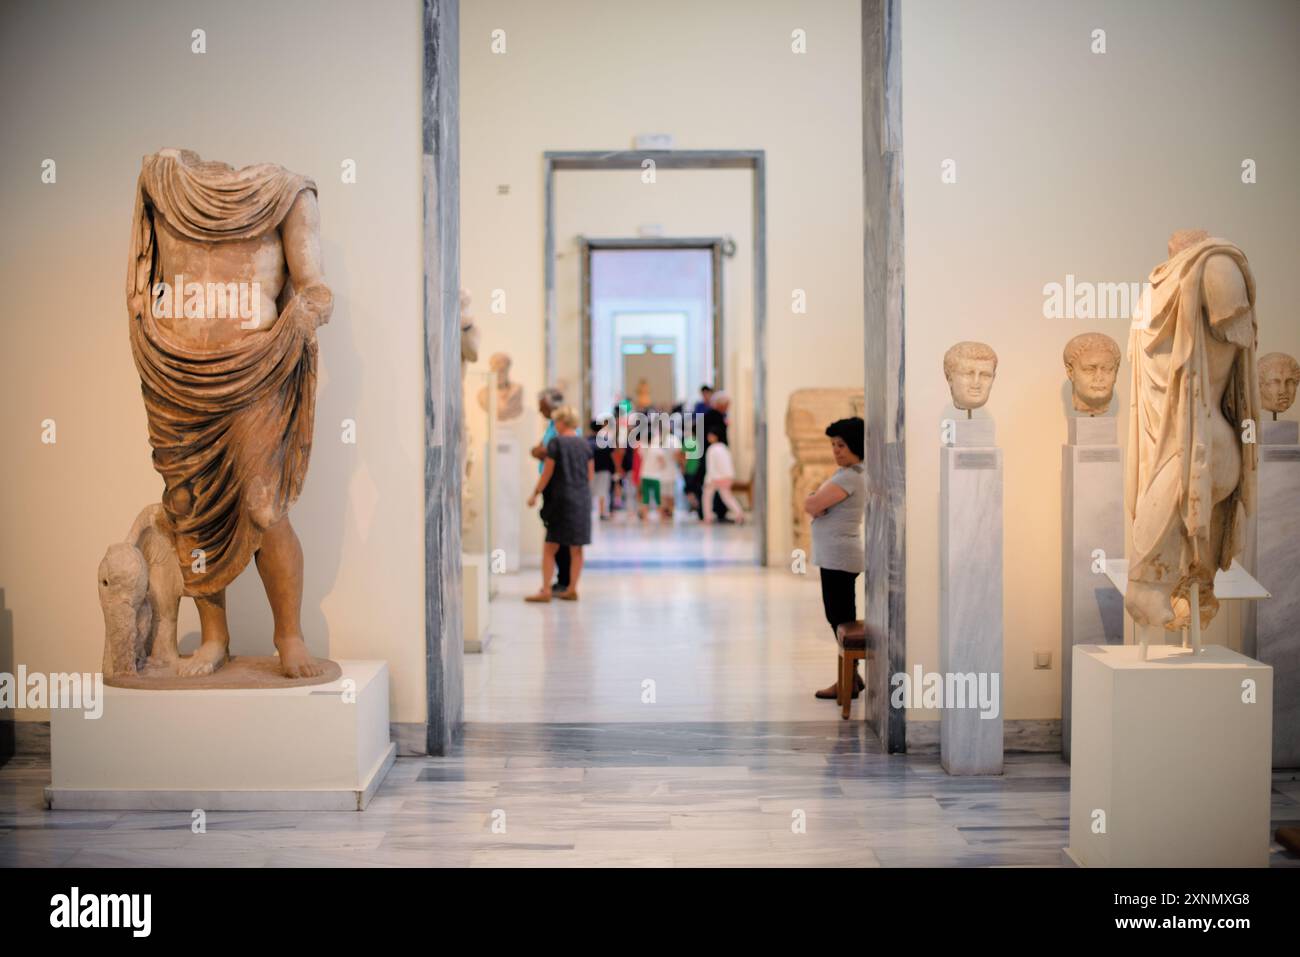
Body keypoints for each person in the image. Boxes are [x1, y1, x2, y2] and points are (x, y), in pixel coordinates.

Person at [806, 417, 866, 701]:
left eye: (841, 445)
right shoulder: (848, 474)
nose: (836, 451)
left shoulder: (849, 477)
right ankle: (851, 677)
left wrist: (815, 502)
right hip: (836, 556)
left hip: (839, 558)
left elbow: (812, 504)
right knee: (839, 618)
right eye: (833, 445)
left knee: (840, 619)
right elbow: (815, 503)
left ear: (855, 444)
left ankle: (849, 679)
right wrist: (816, 502)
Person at [526, 406, 593, 602]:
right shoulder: (584, 444)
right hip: (581, 500)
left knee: (550, 546)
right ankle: (572, 588)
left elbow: (547, 473)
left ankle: (546, 590)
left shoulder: (556, 443)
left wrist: (535, 494)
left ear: (562, 422)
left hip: (561, 500)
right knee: (576, 547)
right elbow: (589, 475)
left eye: (556, 421)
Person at [531, 388, 571, 590]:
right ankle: (560, 579)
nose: (539, 410)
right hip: (551, 488)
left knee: (559, 537)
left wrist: (535, 492)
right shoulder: (551, 427)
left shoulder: (565, 429)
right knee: (554, 533)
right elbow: (539, 450)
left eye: (542, 406)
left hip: (559, 487)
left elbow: (552, 455)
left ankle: (564, 580)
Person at [638, 417, 679, 520]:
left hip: (652, 474)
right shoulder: (660, 442)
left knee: (660, 495)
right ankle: (666, 513)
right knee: (663, 495)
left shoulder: (655, 442)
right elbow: (676, 455)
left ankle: (665, 513)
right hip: (658, 474)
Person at [702, 429, 745, 524]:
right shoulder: (724, 448)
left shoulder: (712, 449)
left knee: (707, 497)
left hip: (715, 478)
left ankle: (708, 517)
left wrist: (709, 479)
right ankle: (739, 514)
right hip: (726, 477)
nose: (708, 437)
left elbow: (711, 467)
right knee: (727, 497)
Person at [590, 418, 615, 520]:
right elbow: (612, 454)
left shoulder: (588, 441)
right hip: (605, 469)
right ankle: (601, 512)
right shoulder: (606, 440)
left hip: (591, 469)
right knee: (603, 491)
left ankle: (588, 511)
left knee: (590, 491)